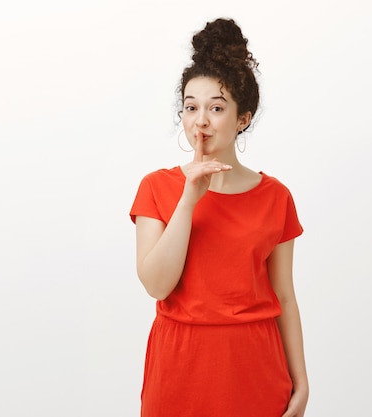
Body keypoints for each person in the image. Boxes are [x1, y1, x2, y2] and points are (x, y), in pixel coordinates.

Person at [129, 18, 309, 417]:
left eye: (216, 107)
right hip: (179, 369)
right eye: (191, 107)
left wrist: (302, 381)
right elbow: (157, 285)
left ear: (242, 118)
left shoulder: (275, 196)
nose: (201, 121)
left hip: (255, 368)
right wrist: (189, 199)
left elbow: (284, 297)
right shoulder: (156, 188)